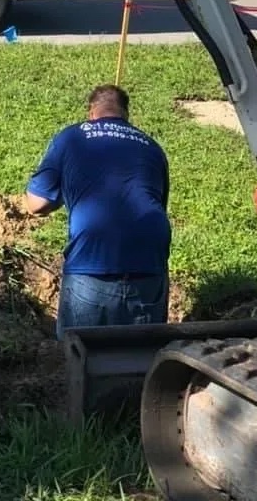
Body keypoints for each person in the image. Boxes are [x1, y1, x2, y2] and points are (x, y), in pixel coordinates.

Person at [25, 84, 171, 339]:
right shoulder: (152, 146)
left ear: (91, 112)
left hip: (92, 262)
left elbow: (37, 203)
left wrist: (64, 193)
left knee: (80, 355)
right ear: (126, 114)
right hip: (149, 262)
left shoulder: (71, 137)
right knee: (142, 358)